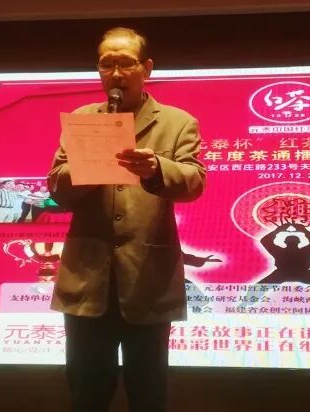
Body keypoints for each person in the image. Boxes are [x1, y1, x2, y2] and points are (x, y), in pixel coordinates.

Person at [47, 27, 206, 412]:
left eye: (126, 63)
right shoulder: (84, 119)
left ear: (146, 68)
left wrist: (156, 169)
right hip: (87, 281)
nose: (116, 74)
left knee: (148, 393)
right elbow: (56, 187)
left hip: (148, 281)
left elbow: (195, 181)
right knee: (86, 392)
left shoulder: (177, 122)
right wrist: (85, 170)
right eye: (107, 64)